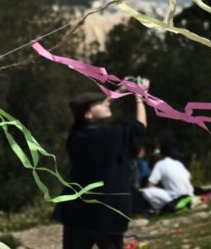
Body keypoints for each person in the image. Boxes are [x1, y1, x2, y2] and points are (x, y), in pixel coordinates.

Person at [56, 81, 148, 249]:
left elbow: (88, 111)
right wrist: (140, 97)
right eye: (101, 103)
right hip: (106, 213)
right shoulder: (109, 135)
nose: (106, 102)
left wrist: (118, 92)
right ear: (88, 114)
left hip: (77, 211)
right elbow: (140, 127)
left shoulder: (75, 135)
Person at [139, 132, 194, 213]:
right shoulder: (177, 162)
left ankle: (157, 209)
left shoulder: (160, 164)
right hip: (190, 196)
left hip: (175, 198)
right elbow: (190, 177)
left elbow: (150, 184)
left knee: (144, 191)